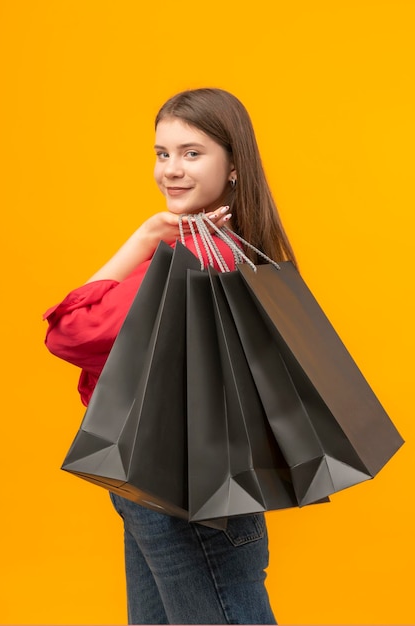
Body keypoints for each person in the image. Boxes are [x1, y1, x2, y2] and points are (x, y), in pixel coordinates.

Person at [44, 87, 297, 625]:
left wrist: (143, 236)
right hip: (190, 483)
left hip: (176, 490)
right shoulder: (240, 248)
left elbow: (67, 331)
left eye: (192, 153)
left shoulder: (190, 258)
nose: (171, 170)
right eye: (163, 154)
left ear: (234, 166)